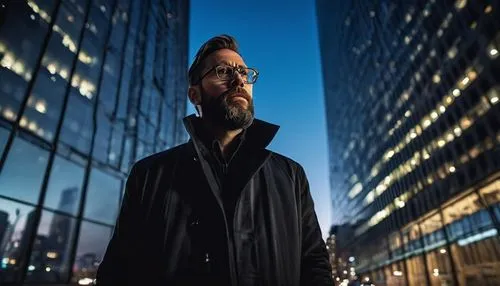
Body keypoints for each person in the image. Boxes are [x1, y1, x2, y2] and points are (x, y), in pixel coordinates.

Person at [96, 34, 332, 286]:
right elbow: (119, 270)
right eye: (223, 71)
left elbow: (314, 262)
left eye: (243, 73)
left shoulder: (290, 174)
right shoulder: (149, 174)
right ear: (195, 95)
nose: (239, 80)